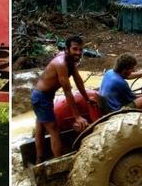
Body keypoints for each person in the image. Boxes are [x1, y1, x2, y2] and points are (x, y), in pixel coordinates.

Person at [31, 35, 96, 164]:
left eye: (80, 49)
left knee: (41, 128)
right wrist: (77, 117)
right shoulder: (61, 64)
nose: (78, 53)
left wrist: (87, 99)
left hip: (45, 96)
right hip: (41, 97)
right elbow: (68, 92)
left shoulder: (70, 60)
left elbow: (78, 80)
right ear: (67, 49)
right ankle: (61, 163)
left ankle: (39, 159)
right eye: (75, 49)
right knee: (54, 130)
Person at [99, 52, 142, 123]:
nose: (133, 70)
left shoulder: (110, 72)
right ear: (124, 70)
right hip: (115, 111)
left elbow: (129, 76)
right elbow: (133, 99)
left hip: (108, 105)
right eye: (132, 68)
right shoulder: (120, 83)